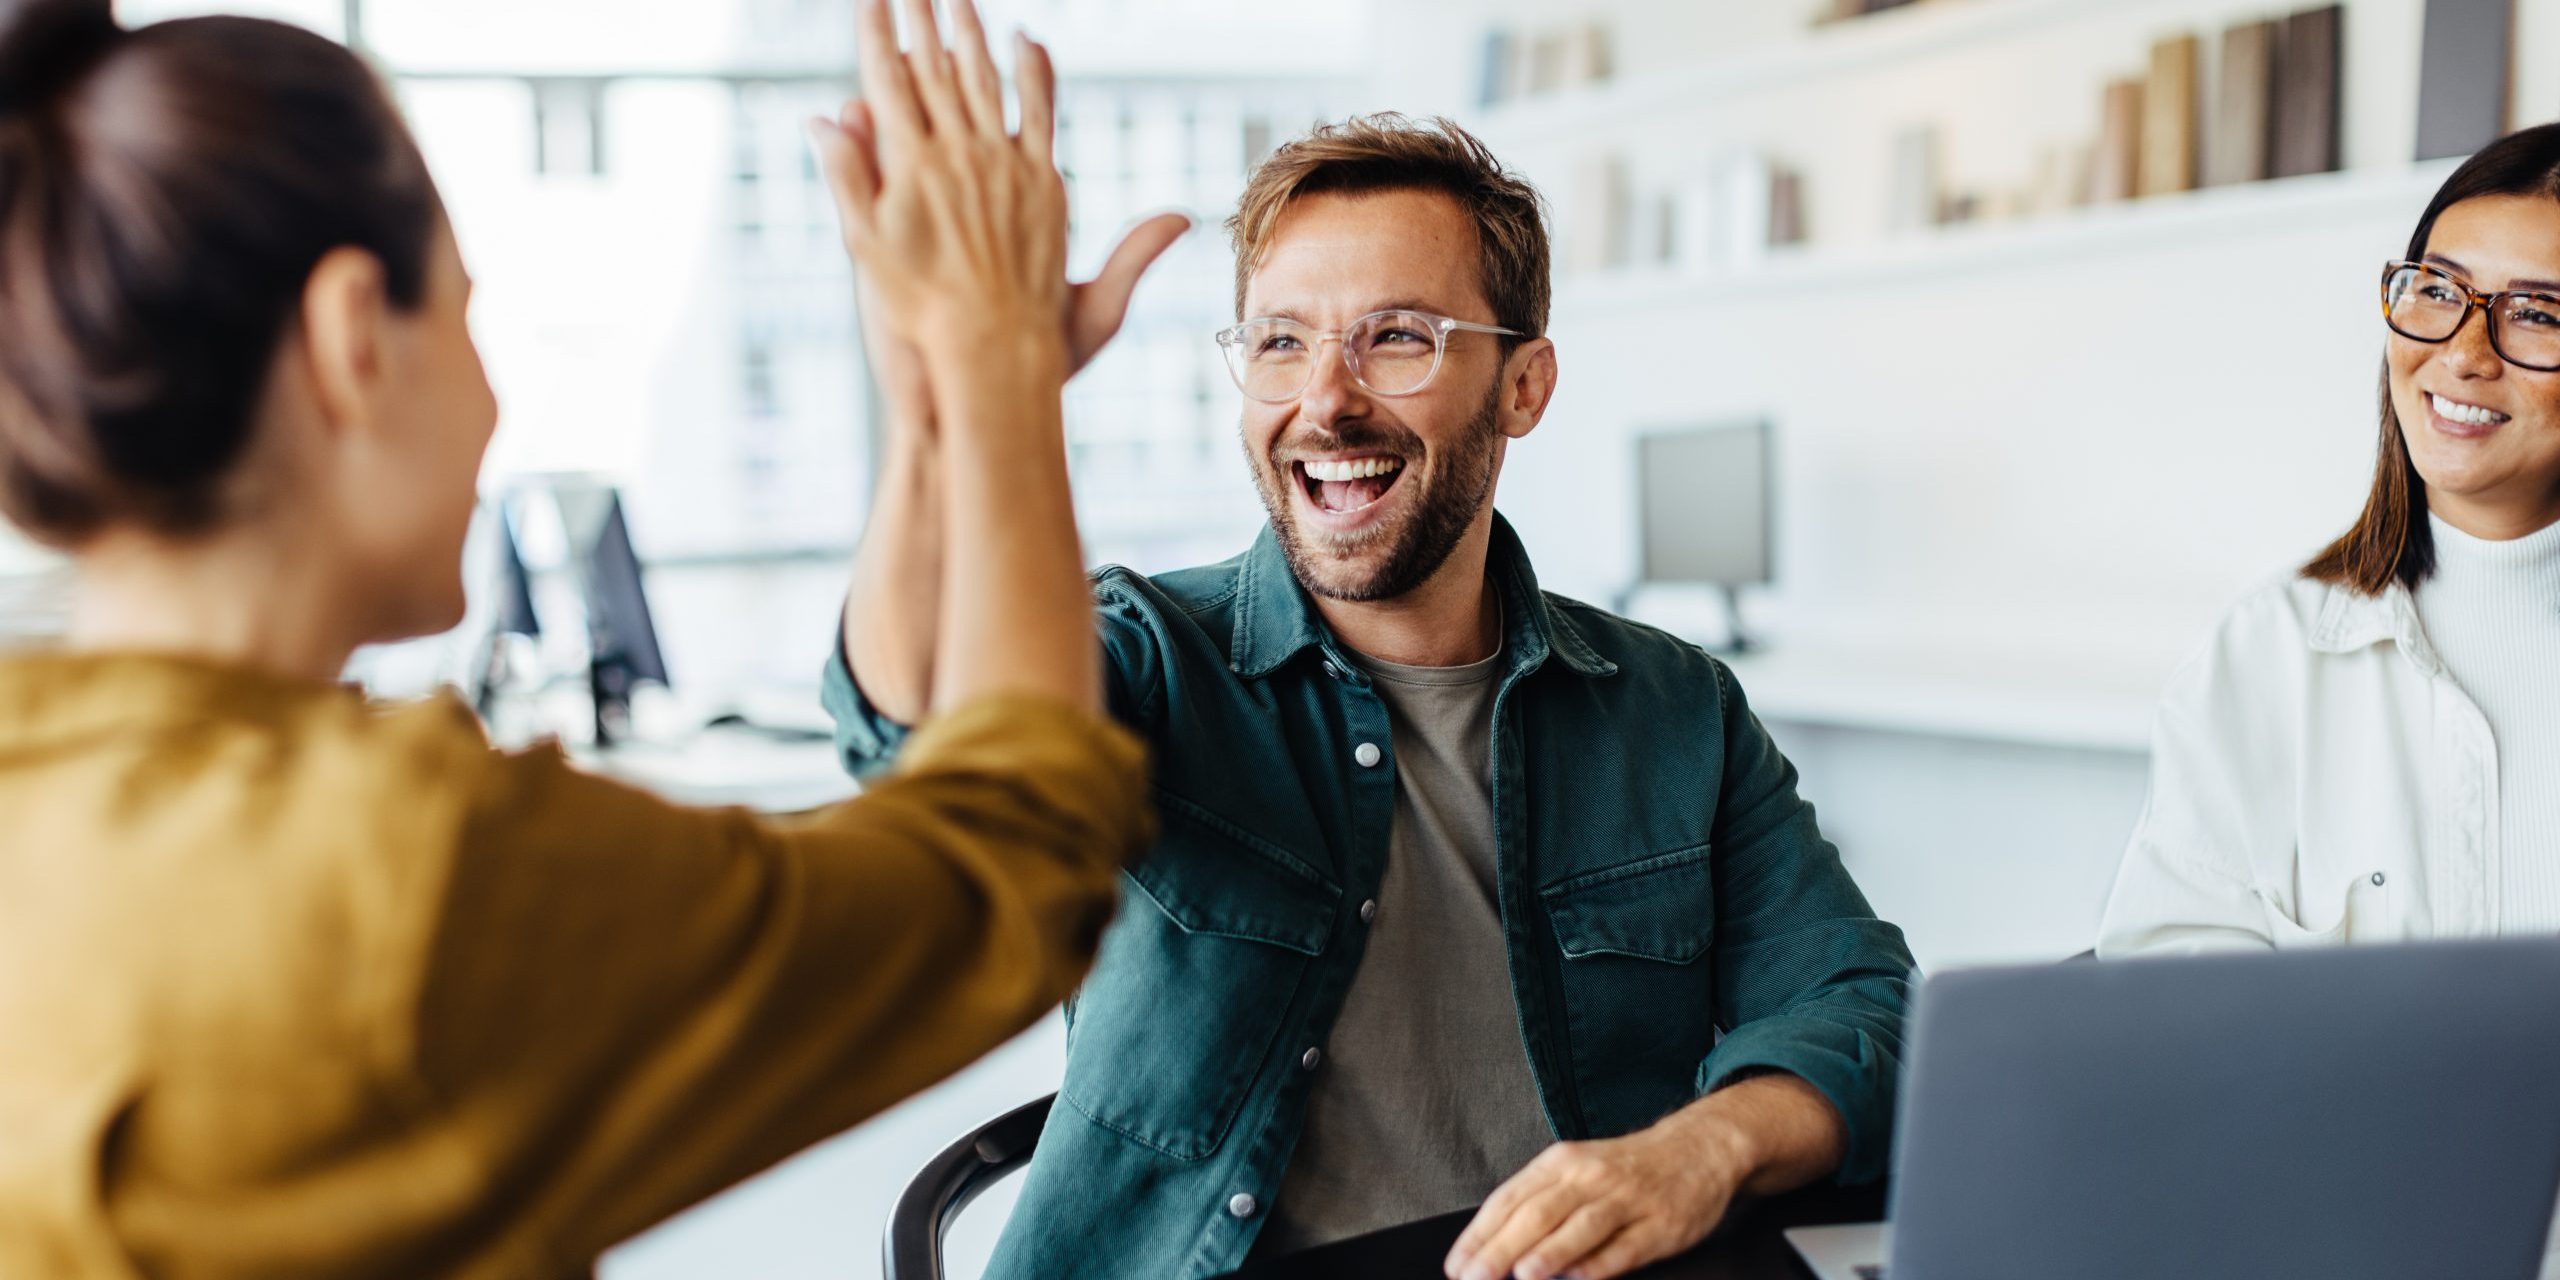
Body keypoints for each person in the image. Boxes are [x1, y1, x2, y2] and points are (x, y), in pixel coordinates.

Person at [0, 0, 1155, 1274]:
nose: (493, 402)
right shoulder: (402, 871)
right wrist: (993, 363)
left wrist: (947, 412)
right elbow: (1011, 864)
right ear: (349, 341)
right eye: (462, 315)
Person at [827, 105, 1916, 1280]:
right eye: (1281, 341)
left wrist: (1704, 1148)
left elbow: (1865, 1009)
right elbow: (917, 730)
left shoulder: (1674, 708)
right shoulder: (1148, 657)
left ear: (1522, 385)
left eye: (1396, 337)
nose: (1327, 399)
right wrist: (952, 412)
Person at [2099, 123, 2560, 954]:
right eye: (2438, 291)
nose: (2461, 353)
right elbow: (2172, 1006)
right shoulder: (2264, 655)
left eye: (2535, 313)